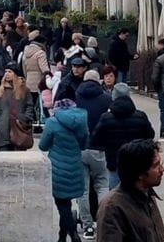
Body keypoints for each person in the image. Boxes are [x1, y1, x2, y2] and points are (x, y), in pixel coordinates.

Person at [96, 140, 164, 242]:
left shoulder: (147, 195)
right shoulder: (112, 208)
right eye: (156, 165)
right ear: (140, 174)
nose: (162, 170)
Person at [39, 98, 89, 242]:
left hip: (57, 168)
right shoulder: (81, 121)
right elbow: (85, 144)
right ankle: (62, 237)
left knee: (62, 205)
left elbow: (43, 145)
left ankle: (74, 234)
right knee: (66, 204)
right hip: (75, 166)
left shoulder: (52, 122)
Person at [91, 84, 155, 190]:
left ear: (113, 96)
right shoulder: (140, 116)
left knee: (115, 193)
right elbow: (150, 135)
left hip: (114, 161)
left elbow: (96, 139)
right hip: (136, 161)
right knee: (136, 192)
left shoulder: (106, 118)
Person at [75, 69, 112, 240]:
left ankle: (87, 227)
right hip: (99, 147)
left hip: (80, 147)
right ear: (99, 81)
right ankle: (104, 222)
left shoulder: (76, 96)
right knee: (102, 186)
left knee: (82, 190)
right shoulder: (106, 98)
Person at [0, 63, 35, 151]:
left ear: (15, 74)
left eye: (9, 71)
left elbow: (29, 106)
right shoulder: (1, 89)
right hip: (4, 128)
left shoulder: (24, 89)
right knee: (4, 157)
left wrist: (25, 118)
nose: (6, 74)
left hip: (19, 128)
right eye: (5, 71)